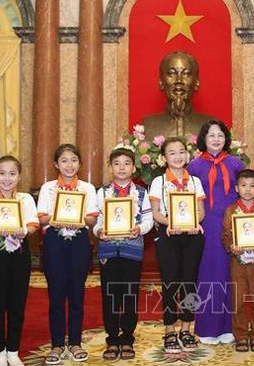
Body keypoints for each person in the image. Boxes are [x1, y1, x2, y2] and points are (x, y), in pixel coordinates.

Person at [36, 144, 99, 364]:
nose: (69, 165)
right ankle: (55, 344)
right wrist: (56, 218)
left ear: (80, 163)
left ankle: (74, 342)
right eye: (64, 160)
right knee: (55, 294)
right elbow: (41, 218)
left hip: (79, 242)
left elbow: (92, 220)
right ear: (56, 164)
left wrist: (78, 221)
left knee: (76, 294)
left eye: (73, 160)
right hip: (54, 241)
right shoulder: (48, 188)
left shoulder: (87, 188)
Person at [0, 155, 39, 366]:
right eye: (2, 173)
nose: (7, 178)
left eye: (12, 173)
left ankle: (13, 349)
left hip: (20, 253)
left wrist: (23, 231)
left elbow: (33, 226)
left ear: (19, 176)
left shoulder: (26, 199)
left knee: (17, 302)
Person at [187, 120, 244, 344]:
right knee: (208, 274)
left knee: (230, 274)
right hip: (206, 225)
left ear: (226, 138)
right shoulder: (193, 166)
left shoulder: (236, 163)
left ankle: (228, 327)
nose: (216, 139)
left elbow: (247, 193)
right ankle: (207, 327)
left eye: (220, 134)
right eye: (211, 135)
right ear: (204, 138)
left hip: (231, 225)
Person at [94, 148, 153, 361]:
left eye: (126, 163)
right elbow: (98, 223)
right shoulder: (102, 192)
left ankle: (127, 338)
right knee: (110, 294)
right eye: (116, 163)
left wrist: (140, 229)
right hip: (108, 250)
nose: (121, 167)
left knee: (129, 294)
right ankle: (112, 338)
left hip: (132, 250)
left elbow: (148, 220)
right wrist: (99, 232)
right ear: (110, 167)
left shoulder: (141, 192)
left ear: (133, 168)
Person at [149, 137, 206, 353]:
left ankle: (186, 329)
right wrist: (171, 223)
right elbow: (155, 214)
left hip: (192, 236)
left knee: (189, 284)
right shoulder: (158, 182)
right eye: (172, 152)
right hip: (168, 235)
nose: (178, 156)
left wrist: (195, 223)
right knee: (170, 283)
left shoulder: (195, 182)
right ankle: (170, 330)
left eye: (181, 151)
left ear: (188, 155)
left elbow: (201, 212)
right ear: (164, 158)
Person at [222, 169, 254, 353]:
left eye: (252, 186)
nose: (248, 190)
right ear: (237, 188)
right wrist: (231, 246)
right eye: (243, 186)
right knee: (239, 300)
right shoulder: (230, 211)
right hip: (238, 263)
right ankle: (241, 336)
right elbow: (226, 235)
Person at [142, 51, 214, 137]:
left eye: (186, 74)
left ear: (197, 83)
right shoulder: (149, 124)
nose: (179, 80)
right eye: (171, 73)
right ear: (161, 82)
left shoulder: (210, 126)